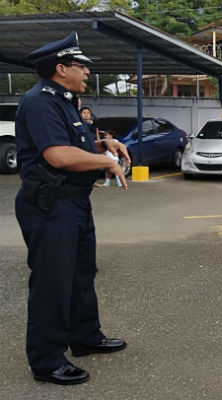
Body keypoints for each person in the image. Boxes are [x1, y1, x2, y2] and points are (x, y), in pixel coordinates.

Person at [14, 32, 130, 385]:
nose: (86, 73)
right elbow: (57, 154)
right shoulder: (40, 101)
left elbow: (71, 141)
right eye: (81, 67)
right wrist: (104, 161)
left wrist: (103, 141)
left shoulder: (64, 100)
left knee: (81, 275)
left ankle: (84, 337)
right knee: (53, 281)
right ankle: (47, 360)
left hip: (74, 204)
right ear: (61, 69)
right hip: (50, 207)